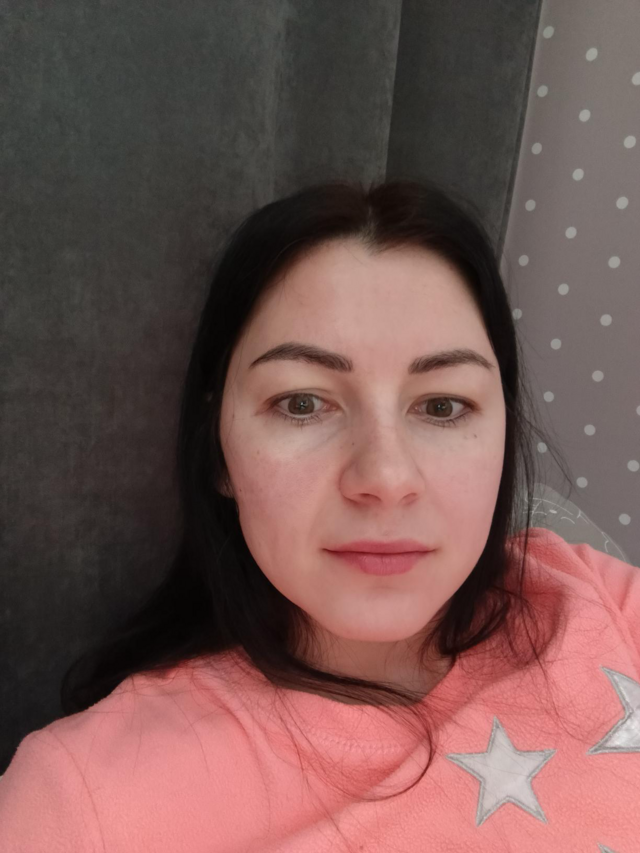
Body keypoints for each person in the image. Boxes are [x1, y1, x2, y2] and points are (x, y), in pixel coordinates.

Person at [1, 179, 639, 852]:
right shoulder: (79, 804)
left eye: (442, 406)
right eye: (302, 403)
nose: (386, 480)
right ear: (217, 448)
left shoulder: (603, 603)